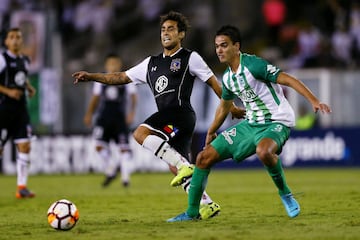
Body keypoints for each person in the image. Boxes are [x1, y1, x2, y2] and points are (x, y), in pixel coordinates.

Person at [73, 11, 244, 219]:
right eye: (163, 29)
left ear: (181, 34)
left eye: (171, 29)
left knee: (140, 133)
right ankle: (206, 204)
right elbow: (120, 77)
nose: (165, 33)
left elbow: (213, 82)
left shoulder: (190, 58)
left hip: (180, 113)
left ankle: (185, 167)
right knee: (175, 167)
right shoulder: (150, 63)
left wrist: (231, 106)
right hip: (171, 117)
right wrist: (91, 76)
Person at [167, 25, 332, 222]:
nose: (219, 50)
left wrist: (313, 100)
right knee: (203, 158)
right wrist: (211, 131)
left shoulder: (253, 65)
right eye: (217, 46)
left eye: (224, 45)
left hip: (276, 121)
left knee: (264, 151)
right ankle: (192, 213)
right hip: (250, 124)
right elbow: (224, 106)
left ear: (236, 47)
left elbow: (287, 79)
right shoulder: (228, 77)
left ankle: (286, 194)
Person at [83, 53, 137, 187]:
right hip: (104, 117)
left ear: (119, 64)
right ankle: (111, 168)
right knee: (99, 145)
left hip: (119, 117)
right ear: (106, 65)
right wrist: (89, 114)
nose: (113, 66)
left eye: (115, 63)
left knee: (124, 148)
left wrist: (131, 113)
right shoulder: (101, 80)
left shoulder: (126, 77)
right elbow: (95, 99)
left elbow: (133, 97)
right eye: (110, 63)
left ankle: (125, 178)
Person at [0, 27, 36, 198]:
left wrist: (28, 87)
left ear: (22, 41)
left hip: (20, 109)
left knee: (25, 145)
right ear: (6, 41)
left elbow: (22, 77)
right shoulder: (2, 58)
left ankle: (21, 187)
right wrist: (8, 92)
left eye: (18, 37)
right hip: (3, 109)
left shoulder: (25, 60)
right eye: (12, 37)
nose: (15, 40)